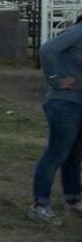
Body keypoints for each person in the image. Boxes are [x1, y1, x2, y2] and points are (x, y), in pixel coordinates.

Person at [26, 17, 82, 226]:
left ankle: (73, 198)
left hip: (78, 102)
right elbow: (47, 49)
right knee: (57, 154)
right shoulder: (78, 31)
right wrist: (55, 79)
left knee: (74, 154)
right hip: (65, 103)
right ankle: (39, 205)